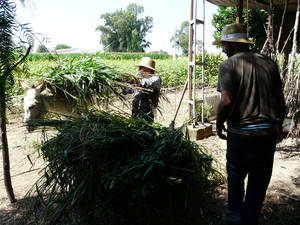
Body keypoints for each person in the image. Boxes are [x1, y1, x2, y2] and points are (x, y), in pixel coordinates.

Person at [213, 23, 286, 225]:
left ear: (233, 44)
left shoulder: (228, 65)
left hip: (240, 135)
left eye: (224, 45)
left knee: (235, 174)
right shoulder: (269, 64)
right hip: (266, 136)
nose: (222, 49)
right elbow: (281, 102)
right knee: (259, 180)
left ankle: (235, 215)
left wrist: (219, 125)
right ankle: (251, 217)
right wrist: (280, 126)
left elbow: (226, 101)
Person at [125, 57, 162, 122]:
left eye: (144, 68)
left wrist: (133, 81)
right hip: (135, 111)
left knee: (145, 129)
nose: (142, 70)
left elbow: (146, 83)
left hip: (146, 112)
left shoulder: (156, 79)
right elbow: (127, 91)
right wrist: (123, 85)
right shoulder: (138, 80)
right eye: (141, 68)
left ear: (150, 70)